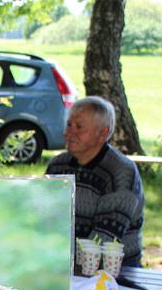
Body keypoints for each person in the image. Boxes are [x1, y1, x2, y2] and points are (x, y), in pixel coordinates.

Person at [46, 96, 144, 267]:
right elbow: (44, 217)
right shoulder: (57, 165)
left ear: (103, 133)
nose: (70, 133)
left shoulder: (120, 172)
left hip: (115, 273)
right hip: (63, 266)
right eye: (69, 124)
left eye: (79, 127)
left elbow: (104, 238)